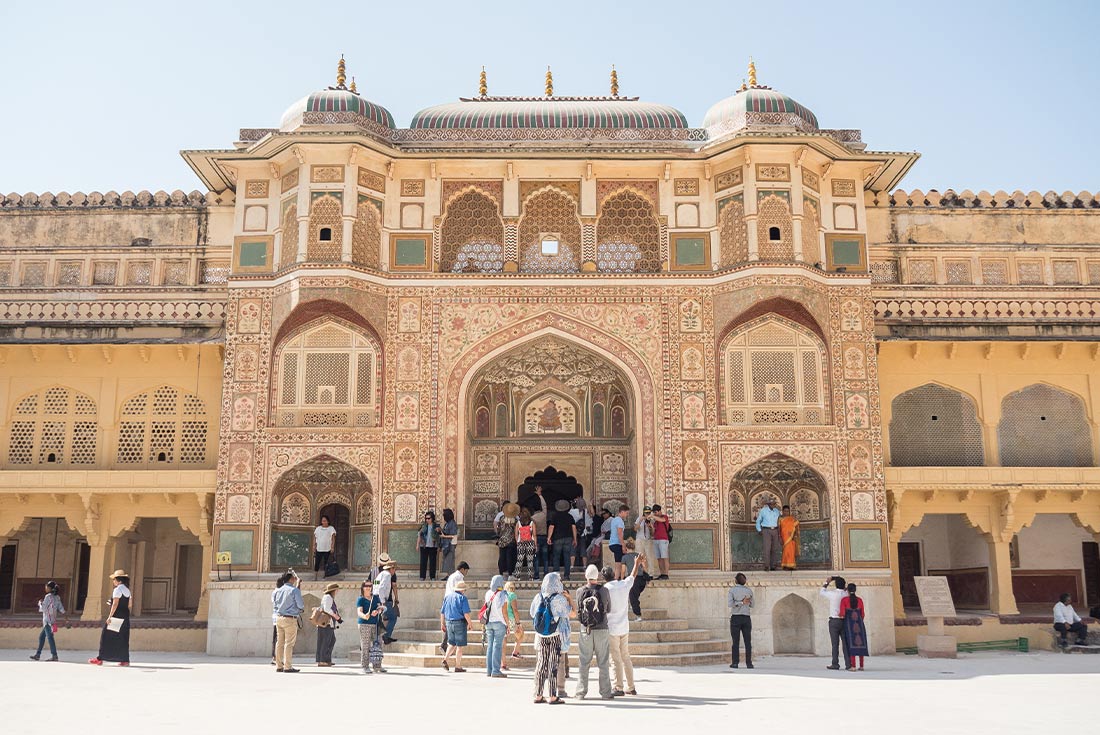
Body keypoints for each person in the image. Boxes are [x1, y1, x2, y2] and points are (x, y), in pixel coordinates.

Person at [530, 571, 573, 704]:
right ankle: (553, 696)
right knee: (553, 665)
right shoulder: (558, 598)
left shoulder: (538, 597)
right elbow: (568, 613)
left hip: (541, 635)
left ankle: (538, 694)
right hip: (555, 635)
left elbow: (532, 613)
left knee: (541, 664)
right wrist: (568, 599)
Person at [574, 564, 613, 700]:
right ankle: (606, 692)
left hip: (586, 630)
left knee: (584, 661)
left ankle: (580, 692)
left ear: (586, 576)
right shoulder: (604, 591)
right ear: (598, 576)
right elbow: (608, 609)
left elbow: (579, 610)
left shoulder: (579, 591)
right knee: (603, 662)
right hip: (602, 629)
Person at [604, 559, 641, 696]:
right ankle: (631, 686)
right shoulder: (624, 585)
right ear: (614, 574)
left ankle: (618, 687)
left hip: (612, 628)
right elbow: (633, 575)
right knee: (625, 656)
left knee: (615, 658)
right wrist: (636, 563)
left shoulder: (605, 589)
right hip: (624, 626)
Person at [89, 569, 132, 667]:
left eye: (114, 579)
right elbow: (129, 604)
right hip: (125, 616)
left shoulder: (117, 590)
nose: (113, 582)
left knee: (106, 636)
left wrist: (110, 616)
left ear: (119, 580)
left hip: (116, 616)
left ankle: (100, 658)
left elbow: (115, 604)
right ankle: (125, 659)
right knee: (123, 637)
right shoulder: (127, 590)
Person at [269, 569, 304, 673]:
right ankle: (287, 666)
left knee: (279, 642)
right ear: (291, 579)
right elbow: (301, 605)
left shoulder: (278, 590)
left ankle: (279, 665)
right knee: (289, 643)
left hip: (279, 618)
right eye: (293, 577)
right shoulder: (294, 590)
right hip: (290, 618)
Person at [440, 580, 471, 672]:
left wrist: (442, 623)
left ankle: (445, 659)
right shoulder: (462, 598)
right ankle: (458, 666)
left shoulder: (447, 597)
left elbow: (442, 612)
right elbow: (466, 613)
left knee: (452, 643)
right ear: (463, 590)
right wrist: (470, 623)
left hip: (449, 622)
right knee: (460, 646)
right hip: (460, 623)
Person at [29, 580, 65, 661]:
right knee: (42, 637)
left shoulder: (48, 597)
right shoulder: (57, 597)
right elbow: (61, 608)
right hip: (53, 620)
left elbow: (44, 609)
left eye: (47, 587)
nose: (45, 588)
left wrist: (40, 603)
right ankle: (38, 654)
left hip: (47, 621)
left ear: (50, 588)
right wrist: (65, 616)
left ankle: (54, 655)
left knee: (50, 638)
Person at [356, 579, 385, 674]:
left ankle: (377, 665)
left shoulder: (375, 598)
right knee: (365, 645)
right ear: (363, 588)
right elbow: (359, 612)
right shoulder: (361, 599)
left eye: (370, 586)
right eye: (366, 586)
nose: (368, 588)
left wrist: (378, 611)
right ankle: (365, 666)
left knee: (378, 644)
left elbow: (381, 607)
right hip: (364, 624)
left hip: (375, 624)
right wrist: (365, 615)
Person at [483, 574, 509, 678]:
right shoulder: (503, 594)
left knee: (490, 646)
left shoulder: (488, 593)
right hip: (499, 622)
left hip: (489, 622)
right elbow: (504, 611)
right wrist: (508, 624)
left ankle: (489, 670)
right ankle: (496, 670)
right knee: (497, 646)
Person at [442, 561, 470, 654]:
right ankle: (445, 644)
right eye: (466, 571)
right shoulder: (459, 577)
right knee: (454, 623)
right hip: (455, 601)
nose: (466, 573)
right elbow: (459, 589)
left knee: (450, 622)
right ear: (462, 569)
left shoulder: (452, 576)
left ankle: (445, 645)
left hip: (448, 599)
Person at [820, 575, 847, 670]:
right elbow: (847, 589)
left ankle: (835, 664)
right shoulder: (846, 594)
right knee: (845, 643)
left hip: (834, 621)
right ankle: (848, 664)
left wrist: (827, 582)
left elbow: (822, 592)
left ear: (835, 585)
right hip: (844, 621)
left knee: (835, 644)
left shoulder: (832, 594)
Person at [727, 573, 754, 669]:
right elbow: (752, 605)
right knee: (748, 642)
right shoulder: (749, 591)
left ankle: (735, 663)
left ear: (736, 580)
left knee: (735, 642)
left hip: (736, 618)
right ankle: (749, 663)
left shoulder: (732, 590)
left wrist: (739, 602)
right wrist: (744, 602)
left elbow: (730, 604)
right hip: (746, 618)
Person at [840, 583, 868, 670]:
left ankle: (853, 666)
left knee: (851, 644)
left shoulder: (844, 600)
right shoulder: (859, 600)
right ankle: (862, 666)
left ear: (847, 590)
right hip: (859, 624)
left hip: (849, 624)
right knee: (860, 643)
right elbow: (862, 614)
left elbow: (842, 614)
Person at [373, 554, 400, 644]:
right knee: (393, 617)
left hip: (376, 597)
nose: (394, 571)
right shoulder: (388, 575)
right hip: (382, 599)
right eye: (394, 569)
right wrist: (383, 602)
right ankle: (386, 636)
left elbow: (375, 585)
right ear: (391, 568)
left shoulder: (380, 574)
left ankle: (380, 637)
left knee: (381, 619)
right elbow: (381, 588)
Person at [621, 539, 651, 621]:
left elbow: (623, 571)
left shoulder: (624, 557)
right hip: (642, 580)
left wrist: (622, 579)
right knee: (635, 595)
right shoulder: (639, 555)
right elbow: (644, 567)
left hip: (634, 580)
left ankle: (638, 615)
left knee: (633, 597)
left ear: (626, 548)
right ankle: (633, 605)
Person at [548, 499, 577, 580]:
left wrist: (549, 537)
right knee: (567, 557)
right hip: (568, 538)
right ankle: (566, 576)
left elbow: (551, 527)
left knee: (556, 557)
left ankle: (556, 576)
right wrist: (575, 539)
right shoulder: (570, 516)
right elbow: (574, 527)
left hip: (557, 538)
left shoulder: (555, 516)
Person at [315, 582, 342, 667]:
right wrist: (336, 616)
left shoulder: (329, 597)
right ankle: (322, 660)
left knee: (330, 640)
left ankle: (326, 659)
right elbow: (327, 609)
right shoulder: (328, 597)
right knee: (325, 641)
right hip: (326, 623)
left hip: (327, 623)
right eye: (337, 590)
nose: (338, 591)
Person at [501, 580, 524, 669]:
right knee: (521, 634)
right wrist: (518, 623)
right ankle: (515, 652)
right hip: (511, 619)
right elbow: (515, 609)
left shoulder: (502, 595)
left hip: (502, 618)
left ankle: (503, 663)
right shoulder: (512, 595)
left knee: (504, 641)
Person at [756, 498, 781, 571]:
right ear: (768, 504)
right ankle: (767, 566)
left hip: (775, 530)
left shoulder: (776, 511)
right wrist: (759, 530)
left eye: (774, 504)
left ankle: (773, 565)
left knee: (774, 549)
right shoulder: (763, 511)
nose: (773, 505)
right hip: (766, 530)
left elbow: (780, 520)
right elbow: (758, 521)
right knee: (767, 548)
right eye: (772, 504)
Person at [416, 510, 441, 581]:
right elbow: (419, 535)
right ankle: (422, 576)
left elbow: (440, 536)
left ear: (432, 518)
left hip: (433, 546)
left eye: (429, 518)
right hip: (424, 546)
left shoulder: (436, 526)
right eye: (426, 518)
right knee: (423, 561)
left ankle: (432, 576)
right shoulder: (423, 526)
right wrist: (417, 545)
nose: (427, 520)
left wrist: (438, 530)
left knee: (433, 562)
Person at [497, 502, 519, 577]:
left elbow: (499, 529)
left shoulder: (502, 518)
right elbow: (517, 531)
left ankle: (500, 574)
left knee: (502, 558)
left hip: (502, 541)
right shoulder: (515, 520)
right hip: (511, 541)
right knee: (510, 558)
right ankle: (510, 574)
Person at [515, 507, 537, 580]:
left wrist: (517, 542)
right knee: (530, 560)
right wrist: (535, 545)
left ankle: (517, 576)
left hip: (521, 543)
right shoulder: (532, 523)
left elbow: (516, 534)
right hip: (530, 543)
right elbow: (534, 535)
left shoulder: (518, 523)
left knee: (519, 559)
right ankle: (530, 576)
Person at [651, 504, 672, 579]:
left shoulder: (664, 517)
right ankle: (662, 573)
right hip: (656, 540)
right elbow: (653, 532)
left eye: (656, 512)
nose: (655, 514)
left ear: (659, 511)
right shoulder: (655, 521)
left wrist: (653, 516)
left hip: (663, 540)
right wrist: (651, 526)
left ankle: (666, 574)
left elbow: (662, 520)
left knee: (664, 557)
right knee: (659, 558)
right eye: (654, 513)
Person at [269, 574, 286, 665]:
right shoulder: (281, 592)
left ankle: (275, 657)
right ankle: (277, 658)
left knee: (276, 638)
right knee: (279, 639)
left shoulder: (275, 592)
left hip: (276, 618)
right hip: (281, 617)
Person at [608, 506, 628, 580]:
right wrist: (623, 545)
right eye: (626, 513)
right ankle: (616, 577)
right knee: (619, 562)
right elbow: (620, 533)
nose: (627, 515)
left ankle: (619, 576)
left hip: (612, 543)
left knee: (619, 560)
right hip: (617, 543)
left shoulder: (614, 520)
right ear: (622, 512)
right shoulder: (620, 521)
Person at [314, 515, 337, 580]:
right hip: (319, 548)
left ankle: (325, 575)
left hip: (327, 548)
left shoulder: (331, 528)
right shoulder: (318, 528)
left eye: (325, 521)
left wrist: (332, 547)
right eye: (322, 521)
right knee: (317, 562)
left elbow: (333, 538)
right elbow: (315, 537)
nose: (323, 522)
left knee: (326, 562)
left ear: (328, 521)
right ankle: (315, 576)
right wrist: (314, 546)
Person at [778, 505, 800, 571]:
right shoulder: (780, 519)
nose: (786, 512)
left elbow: (796, 525)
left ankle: (792, 565)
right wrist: (780, 537)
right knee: (786, 551)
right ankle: (785, 565)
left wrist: (794, 535)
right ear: (782, 511)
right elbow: (779, 529)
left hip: (791, 537)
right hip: (784, 537)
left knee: (791, 551)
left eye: (787, 511)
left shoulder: (792, 519)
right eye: (785, 511)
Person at [439, 508, 459, 576]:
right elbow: (446, 533)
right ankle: (448, 575)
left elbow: (453, 535)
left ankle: (451, 576)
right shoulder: (447, 523)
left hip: (451, 544)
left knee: (450, 560)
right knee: (447, 560)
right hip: (447, 544)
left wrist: (444, 536)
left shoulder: (452, 523)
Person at [532, 501, 549, 578]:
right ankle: (546, 574)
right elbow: (545, 506)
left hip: (536, 538)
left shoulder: (532, 518)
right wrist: (540, 496)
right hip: (544, 537)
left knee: (536, 557)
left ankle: (536, 575)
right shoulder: (544, 515)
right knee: (545, 557)